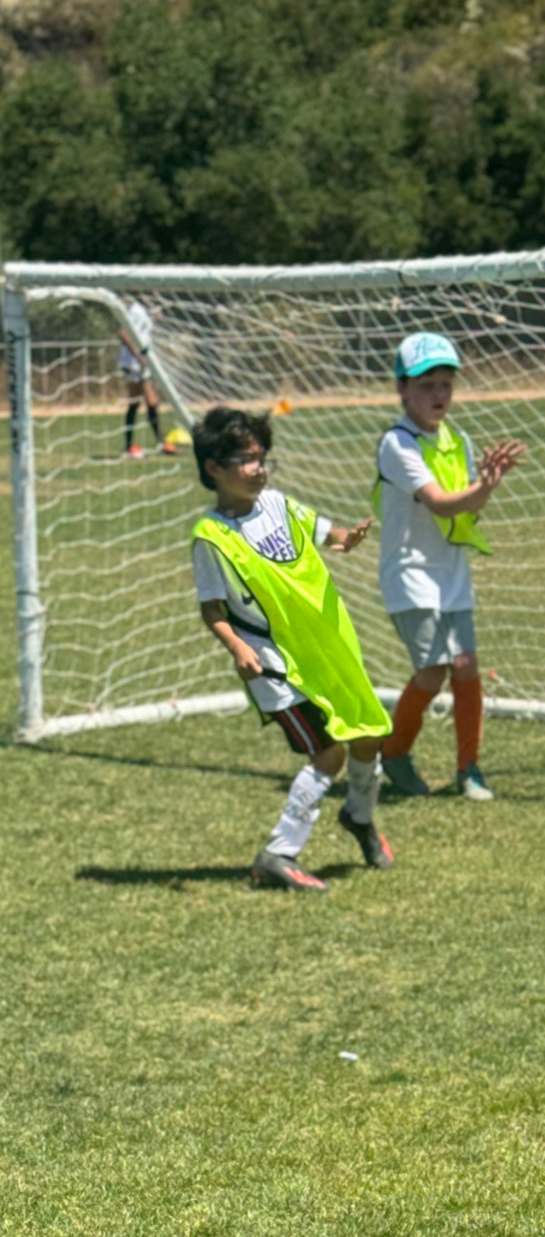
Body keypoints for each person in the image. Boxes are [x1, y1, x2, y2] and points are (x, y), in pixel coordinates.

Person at [191, 406, 393, 891]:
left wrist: (349, 538)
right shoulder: (211, 538)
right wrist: (238, 647)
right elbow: (212, 612)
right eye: (245, 459)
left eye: (263, 458)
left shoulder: (279, 505)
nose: (258, 468)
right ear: (213, 468)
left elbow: (328, 534)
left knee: (367, 735)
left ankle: (359, 817)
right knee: (329, 754)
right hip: (275, 663)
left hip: (326, 649)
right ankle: (277, 854)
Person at [376, 332, 524, 802]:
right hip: (412, 574)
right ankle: (394, 753)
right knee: (432, 672)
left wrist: (488, 485)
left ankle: (469, 769)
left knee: (465, 666)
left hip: (452, 574)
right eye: (425, 385)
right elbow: (439, 504)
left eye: (445, 384)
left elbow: (465, 510)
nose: (438, 394)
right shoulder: (397, 444)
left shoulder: (457, 440)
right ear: (401, 389)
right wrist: (484, 484)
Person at [120, 299, 176, 460]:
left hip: (142, 361)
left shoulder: (145, 310)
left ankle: (161, 442)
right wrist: (138, 355)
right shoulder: (135, 310)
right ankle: (129, 447)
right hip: (133, 362)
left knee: (150, 402)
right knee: (138, 402)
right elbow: (124, 333)